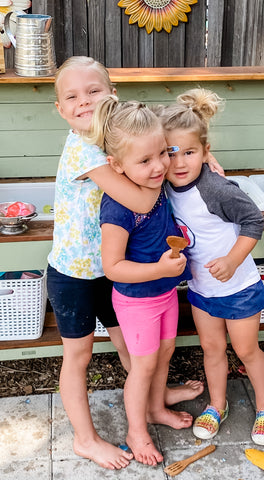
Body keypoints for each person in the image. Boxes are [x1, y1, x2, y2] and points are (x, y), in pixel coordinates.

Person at [47, 57, 203, 470]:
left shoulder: (109, 138)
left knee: (130, 346)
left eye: (94, 91)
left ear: (111, 95)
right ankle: (85, 439)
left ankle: (152, 399)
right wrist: (163, 169)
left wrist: (205, 159)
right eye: (72, 97)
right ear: (61, 109)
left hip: (111, 269)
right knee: (77, 356)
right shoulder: (85, 149)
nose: (85, 102)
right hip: (75, 274)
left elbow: (156, 137)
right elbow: (143, 198)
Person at [159, 88, 264, 446]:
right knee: (212, 350)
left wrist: (232, 259)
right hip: (201, 291)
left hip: (239, 288)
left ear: (206, 152)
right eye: (171, 153)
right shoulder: (164, 187)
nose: (180, 163)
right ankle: (216, 404)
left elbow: (253, 221)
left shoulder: (215, 188)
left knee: (245, 350)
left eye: (191, 153)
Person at [92, 96, 194, 466]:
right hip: (137, 300)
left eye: (162, 154)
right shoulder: (117, 207)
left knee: (165, 354)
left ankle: (155, 409)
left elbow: (187, 142)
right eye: (146, 160)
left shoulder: (155, 181)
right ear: (116, 165)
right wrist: (159, 271)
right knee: (142, 367)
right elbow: (113, 267)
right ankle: (136, 430)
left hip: (164, 292)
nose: (159, 167)